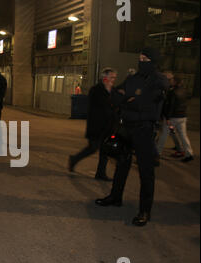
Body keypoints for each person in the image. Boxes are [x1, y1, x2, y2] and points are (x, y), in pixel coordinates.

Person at [95, 48, 169, 226]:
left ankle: (145, 210)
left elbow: (145, 103)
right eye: (140, 58)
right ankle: (115, 197)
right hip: (126, 127)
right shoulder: (133, 78)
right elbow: (116, 97)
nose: (141, 61)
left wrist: (128, 100)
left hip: (144, 129)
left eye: (145, 58)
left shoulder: (160, 80)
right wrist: (128, 99)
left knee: (146, 171)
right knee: (121, 164)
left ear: (154, 60)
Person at [69, 68, 118, 181]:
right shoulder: (96, 90)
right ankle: (74, 159)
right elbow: (100, 107)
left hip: (108, 126)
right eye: (111, 77)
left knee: (104, 150)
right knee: (92, 148)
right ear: (104, 78)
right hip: (96, 125)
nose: (113, 80)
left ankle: (101, 173)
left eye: (114, 78)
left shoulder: (113, 91)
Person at [159, 74, 194, 162]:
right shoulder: (185, 91)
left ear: (175, 82)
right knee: (183, 136)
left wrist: (167, 118)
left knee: (164, 135)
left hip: (173, 117)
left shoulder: (173, 92)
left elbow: (170, 106)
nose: (171, 81)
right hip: (182, 116)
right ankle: (189, 153)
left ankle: (156, 153)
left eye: (172, 80)